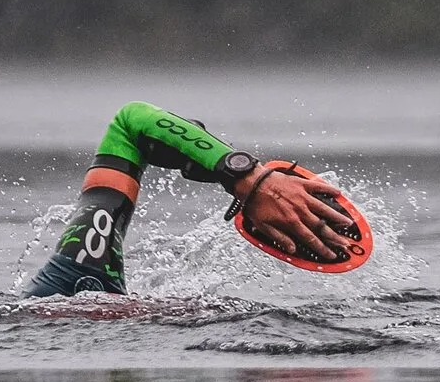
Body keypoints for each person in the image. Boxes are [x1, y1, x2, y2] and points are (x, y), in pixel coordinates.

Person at [25, 101, 360, 296]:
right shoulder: (74, 285)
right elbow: (131, 122)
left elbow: (132, 127)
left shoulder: (77, 279)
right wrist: (250, 178)